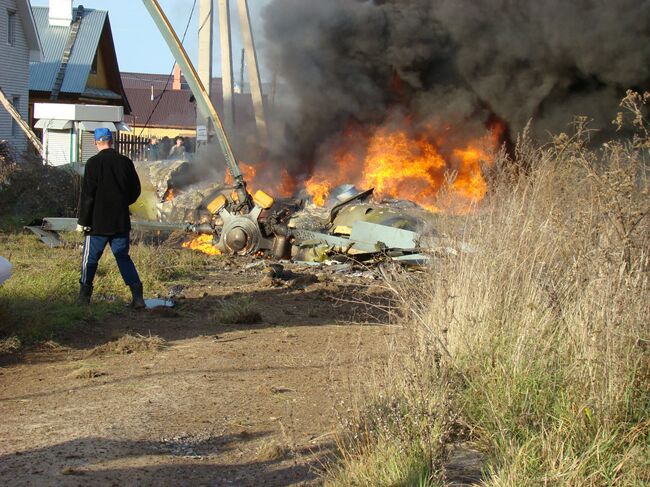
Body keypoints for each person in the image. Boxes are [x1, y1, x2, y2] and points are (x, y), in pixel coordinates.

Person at [77, 128, 145, 309]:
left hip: (97, 223)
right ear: (112, 141)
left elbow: (88, 195)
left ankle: (84, 299)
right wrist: (123, 203)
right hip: (120, 221)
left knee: (90, 260)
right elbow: (135, 190)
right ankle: (137, 297)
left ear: (96, 142)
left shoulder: (92, 163)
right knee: (123, 257)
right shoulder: (125, 162)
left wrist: (83, 221)